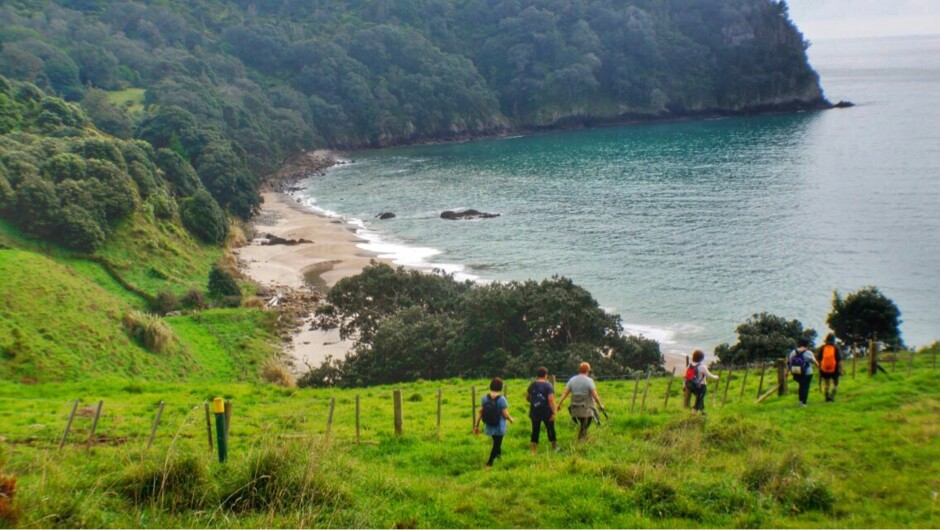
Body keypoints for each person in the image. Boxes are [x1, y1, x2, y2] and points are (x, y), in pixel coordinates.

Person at [556, 362, 605, 440]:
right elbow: (595, 395)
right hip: (586, 410)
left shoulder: (572, 380)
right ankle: (581, 440)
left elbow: (565, 393)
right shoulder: (589, 381)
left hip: (575, 410)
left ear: (579, 370)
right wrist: (600, 405)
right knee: (585, 424)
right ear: (588, 370)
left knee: (583, 425)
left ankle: (583, 438)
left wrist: (559, 404)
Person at [473, 377, 514, 467]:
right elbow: (505, 414)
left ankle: (499, 458)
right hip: (499, 426)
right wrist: (511, 419)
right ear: (500, 387)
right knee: (497, 444)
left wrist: (476, 425)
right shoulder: (501, 399)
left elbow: (480, 412)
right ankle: (489, 463)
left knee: (496, 442)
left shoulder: (484, 398)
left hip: (489, 425)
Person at [526, 367, 557, 453]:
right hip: (546, 411)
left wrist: (535, 402)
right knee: (550, 429)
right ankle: (554, 448)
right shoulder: (548, 385)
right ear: (546, 375)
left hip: (534, 411)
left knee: (535, 430)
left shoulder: (532, 385)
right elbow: (551, 399)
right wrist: (554, 412)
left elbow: (528, 397)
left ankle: (533, 451)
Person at [789, 338, 820, 407]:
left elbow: (790, 362)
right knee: (805, 387)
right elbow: (814, 362)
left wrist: (787, 372)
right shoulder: (808, 352)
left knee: (801, 386)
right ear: (807, 345)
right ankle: (804, 403)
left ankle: (800, 401)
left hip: (796, 372)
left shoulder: (793, 352)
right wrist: (820, 368)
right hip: (807, 372)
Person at [687, 349, 719, 416]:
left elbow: (686, 376)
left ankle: (702, 411)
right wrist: (716, 377)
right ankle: (694, 412)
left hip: (691, 385)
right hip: (700, 386)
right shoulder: (702, 367)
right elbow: (709, 375)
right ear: (701, 358)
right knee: (699, 398)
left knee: (699, 398)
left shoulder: (690, 366)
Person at [818, 333, 843, 402]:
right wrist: (841, 370)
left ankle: (826, 397)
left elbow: (819, 359)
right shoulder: (836, 348)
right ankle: (832, 397)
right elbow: (839, 360)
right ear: (834, 339)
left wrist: (820, 368)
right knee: (836, 384)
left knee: (827, 383)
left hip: (824, 369)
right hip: (835, 369)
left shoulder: (822, 347)